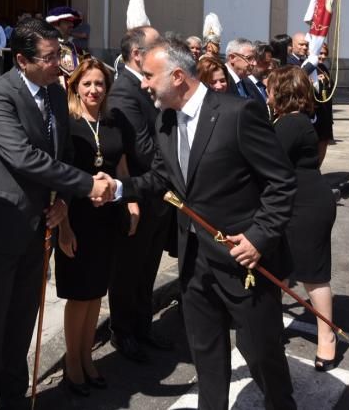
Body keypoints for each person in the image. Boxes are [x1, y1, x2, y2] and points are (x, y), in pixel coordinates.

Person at [127, 38, 297, 410]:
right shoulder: (164, 120)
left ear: (176, 76)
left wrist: (259, 237)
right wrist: (117, 189)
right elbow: (163, 178)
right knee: (207, 358)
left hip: (242, 262)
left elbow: (281, 182)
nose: (144, 84)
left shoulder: (239, 114)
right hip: (194, 262)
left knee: (263, 356)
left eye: (148, 76)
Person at [0, 18, 116, 410]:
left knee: (21, 323)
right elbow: (23, 158)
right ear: (21, 60)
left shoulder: (54, 96)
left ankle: (13, 401)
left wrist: (64, 200)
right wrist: (86, 184)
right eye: (49, 58)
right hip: (0, 226)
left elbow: (61, 155)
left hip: (38, 227)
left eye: (59, 55)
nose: (58, 64)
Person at [55, 59, 138, 395]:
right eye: (87, 84)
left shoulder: (113, 122)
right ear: (76, 86)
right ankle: (71, 363)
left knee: (96, 294)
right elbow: (58, 178)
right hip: (76, 218)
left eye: (99, 84)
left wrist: (131, 201)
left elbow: (122, 166)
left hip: (107, 219)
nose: (93, 90)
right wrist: (64, 228)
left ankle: (87, 357)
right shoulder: (68, 124)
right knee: (78, 295)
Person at [108, 24, 175, 365]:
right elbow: (144, 149)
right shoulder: (124, 92)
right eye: (157, 44)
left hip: (160, 196)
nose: (164, 48)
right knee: (129, 269)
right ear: (137, 54)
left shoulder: (153, 83)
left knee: (147, 267)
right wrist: (175, 165)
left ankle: (143, 325)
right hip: (140, 194)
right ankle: (124, 331)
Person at [266, 66, 338, 371]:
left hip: (305, 208)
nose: (266, 94)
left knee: (312, 275)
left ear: (281, 92)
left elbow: (266, 162)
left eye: (270, 88)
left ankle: (327, 336)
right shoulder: (287, 121)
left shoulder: (290, 125)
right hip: (292, 205)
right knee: (278, 269)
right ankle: (270, 328)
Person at [311, 43, 335, 166]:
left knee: (324, 142)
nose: (323, 56)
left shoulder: (323, 68)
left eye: (325, 53)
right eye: (320, 53)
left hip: (326, 111)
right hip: (315, 112)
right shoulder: (310, 68)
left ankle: (318, 169)